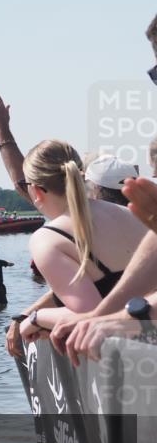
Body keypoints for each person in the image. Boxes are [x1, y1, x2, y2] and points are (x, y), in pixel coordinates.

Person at [16, 140, 147, 341]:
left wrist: (35, 318)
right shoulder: (133, 215)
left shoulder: (48, 239)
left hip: (132, 359)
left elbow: (94, 318)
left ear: (36, 190)